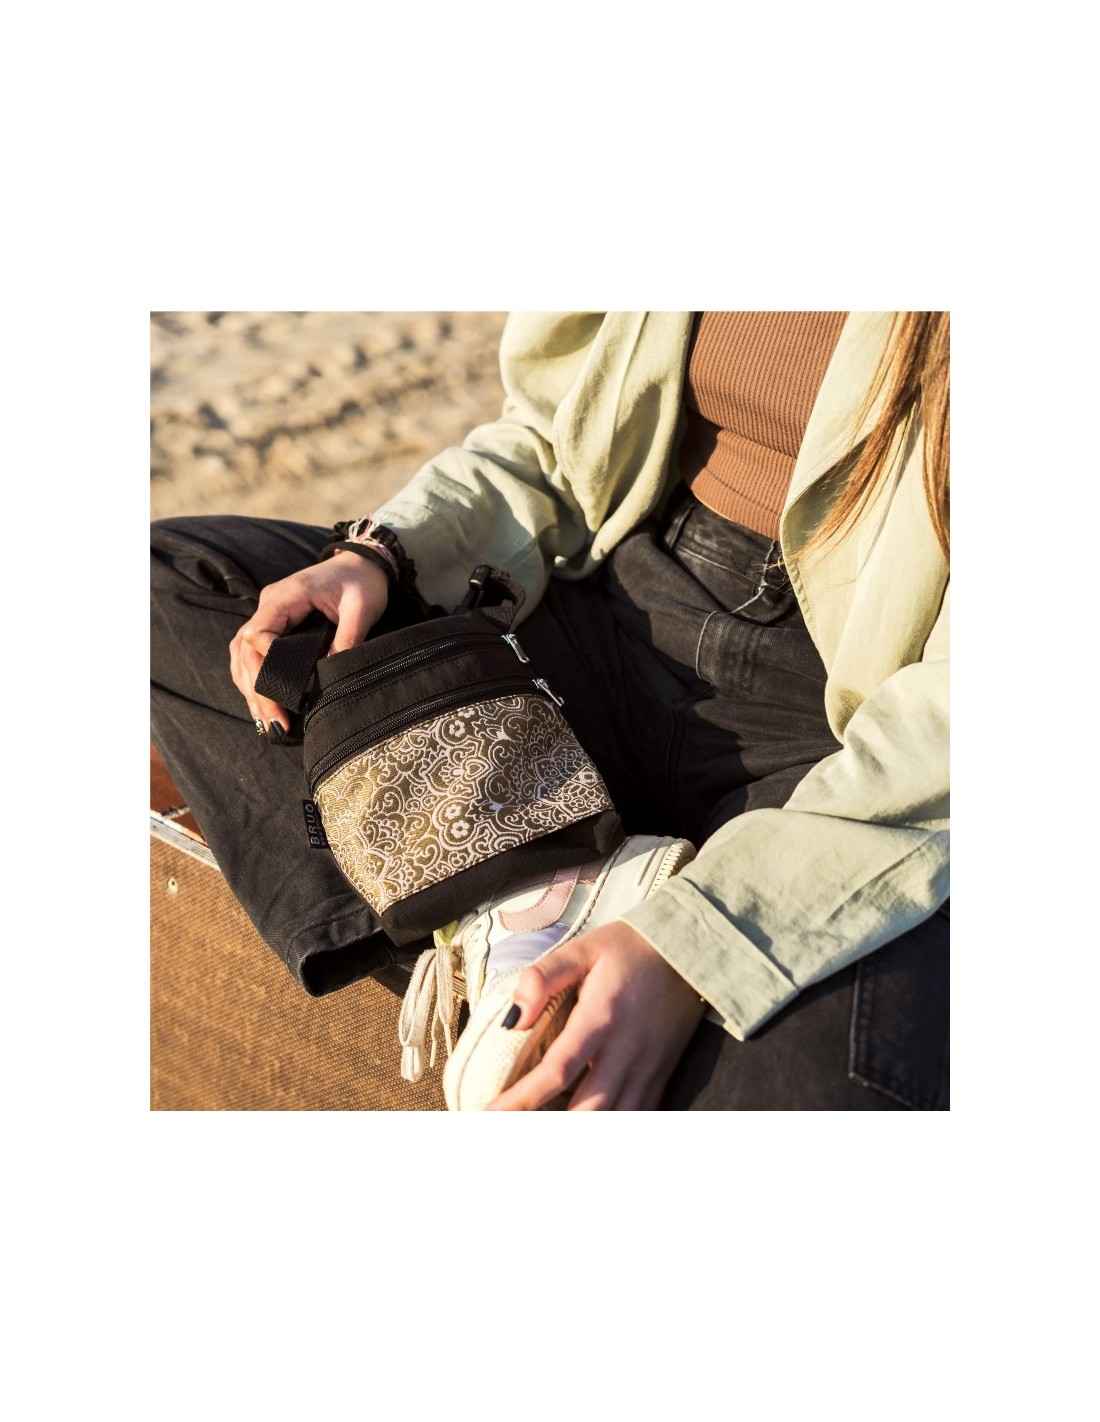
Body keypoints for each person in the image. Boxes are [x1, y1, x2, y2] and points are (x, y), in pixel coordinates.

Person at [151, 310, 949, 1111]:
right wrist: (385, 553)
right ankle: (531, 893)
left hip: (855, 729)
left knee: (820, 1084)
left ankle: (500, 896)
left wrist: (700, 941)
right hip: (605, 608)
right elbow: (548, 436)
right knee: (173, 584)